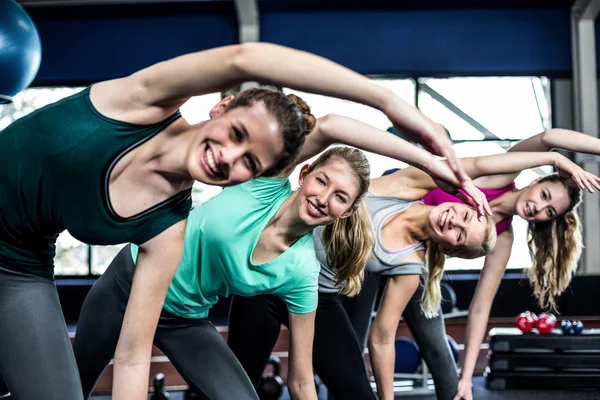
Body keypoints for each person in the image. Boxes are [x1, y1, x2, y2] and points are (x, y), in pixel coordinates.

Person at [0, 42, 489, 400]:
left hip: (21, 268)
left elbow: (132, 356)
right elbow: (245, 59)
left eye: (250, 162)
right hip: (99, 280)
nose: (230, 157)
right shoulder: (141, 100)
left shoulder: (168, 227)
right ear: (220, 106)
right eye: (235, 132)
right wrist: (396, 110)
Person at [73, 108, 478, 399]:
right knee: (72, 387)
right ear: (304, 175)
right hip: (129, 285)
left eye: (340, 197)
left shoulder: (300, 271)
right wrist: (430, 161)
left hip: (184, 317)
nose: (323, 199)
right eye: (321, 182)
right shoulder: (264, 184)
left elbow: (302, 380)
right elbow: (332, 125)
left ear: (350, 211)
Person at [345, 141, 600, 400]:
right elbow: (548, 137)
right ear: (534, 182)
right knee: (353, 340)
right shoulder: (497, 177)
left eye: (549, 212)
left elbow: (481, 306)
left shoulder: (502, 239)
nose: (538, 208)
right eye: (544, 195)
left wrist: (466, 378)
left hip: (412, 260)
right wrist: (559, 160)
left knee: (440, 353)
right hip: (381, 229)